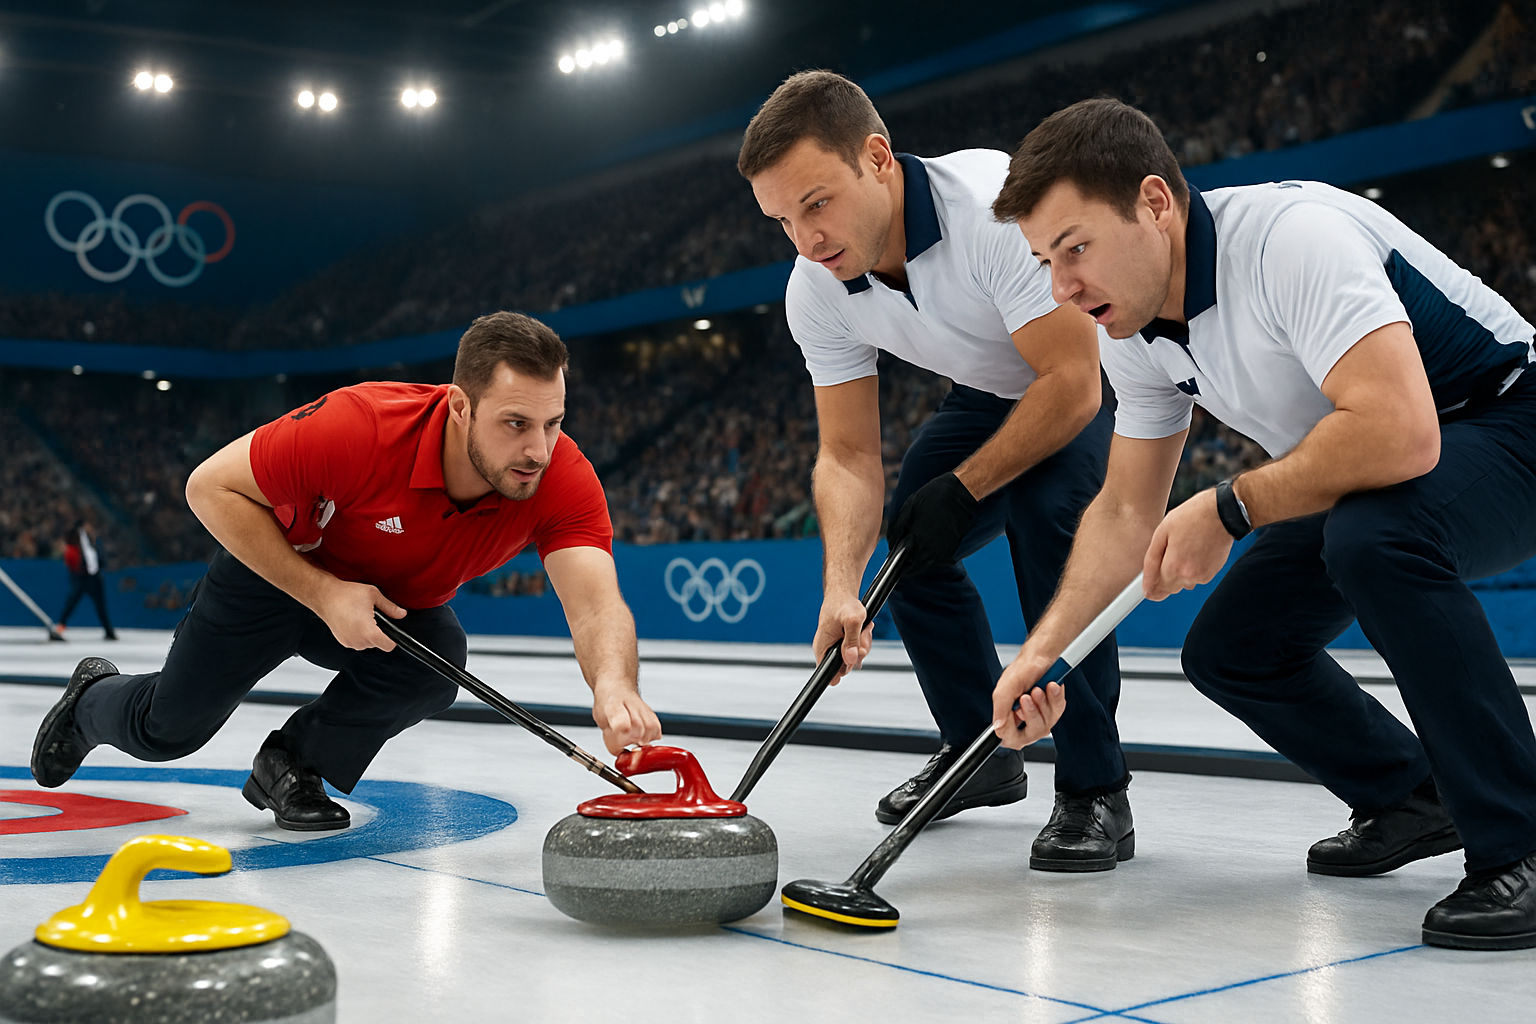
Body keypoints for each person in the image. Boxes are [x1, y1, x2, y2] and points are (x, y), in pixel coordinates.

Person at [989, 98, 1536, 949]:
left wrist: (1231, 506)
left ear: (1156, 205)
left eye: (1076, 249)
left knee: (1377, 539)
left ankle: (1523, 841)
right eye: (1045, 263)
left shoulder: (1291, 240)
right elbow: (1128, 507)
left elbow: (1400, 430)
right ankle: (1412, 795)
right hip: (1367, 468)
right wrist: (1040, 653)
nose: (1062, 287)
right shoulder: (1130, 329)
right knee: (1231, 648)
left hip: (1506, 418)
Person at [33, 311, 663, 830]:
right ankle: (90, 700)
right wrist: (324, 592)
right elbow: (208, 488)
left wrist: (614, 686)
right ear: (460, 406)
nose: (538, 449)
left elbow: (595, 605)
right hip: (276, 573)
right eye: (516, 424)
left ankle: (291, 762)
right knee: (166, 730)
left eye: (553, 423)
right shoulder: (359, 426)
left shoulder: (560, 476)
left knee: (438, 656)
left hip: (386, 605)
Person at [739, 71, 1134, 872]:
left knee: (1049, 524)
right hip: (995, 393)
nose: (807, 240)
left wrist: (966, 486)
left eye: (817, 203)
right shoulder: (814, 287)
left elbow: (1074, 383)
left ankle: (1096, 791)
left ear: (877, 158)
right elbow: (848, 453)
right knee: (912, 541)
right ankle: (978, 752)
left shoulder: (993, 210)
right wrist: (842, 588)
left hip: (1106, 376)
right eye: (782, 220)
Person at [58, 518, 116, 641]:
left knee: (100, 606)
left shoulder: (92, 539)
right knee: (71, 603)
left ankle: (109, 631)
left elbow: (97, 554)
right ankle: (60, 628)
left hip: (94, 577)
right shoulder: (75, 536)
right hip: (81, 576)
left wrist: (100, 566)